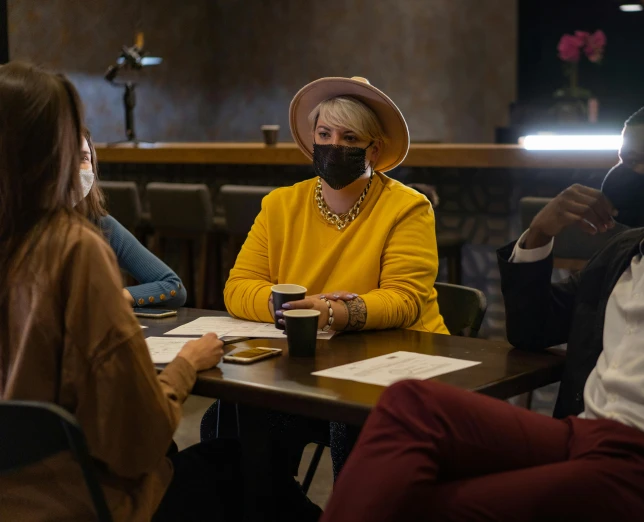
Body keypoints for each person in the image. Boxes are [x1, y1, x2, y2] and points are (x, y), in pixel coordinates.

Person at [319, 94, 644, 522]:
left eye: (635, 162)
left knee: (431, 506)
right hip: (579, 435)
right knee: (409, 401)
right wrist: (538, 236)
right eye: (618, 159)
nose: (619, 176)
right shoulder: (624, 249)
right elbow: (534, 329)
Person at [0, 61, 253, 522]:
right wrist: (185, 366)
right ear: (51, 150)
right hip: (78, 501)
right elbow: (138, 441)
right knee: (239, 466)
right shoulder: (73, 250)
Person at [217, 76, 448, 521]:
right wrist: (285, 307)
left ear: (374, 151)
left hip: (392, 370)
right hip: (307, 372)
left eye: (349, 138)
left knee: (353, 424)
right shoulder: (280, 205)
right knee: (233, 421)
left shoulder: (408, 208)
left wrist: (335, 311)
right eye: (324, 134)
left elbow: (405, 299)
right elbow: (237, 287)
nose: (332, 145)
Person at [79, 130, 187, 308]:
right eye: (66, 158)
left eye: (84, 158)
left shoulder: (101, 225)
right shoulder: (24, 228)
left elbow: (173, 286)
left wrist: (110, 297)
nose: (76, 168)